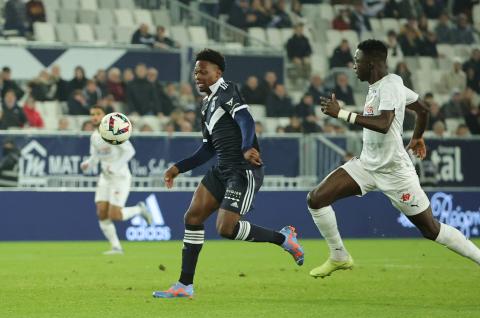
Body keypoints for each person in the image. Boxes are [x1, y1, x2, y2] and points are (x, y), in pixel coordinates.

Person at [308, 39, 480, 279]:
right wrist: (418, 137)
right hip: (367, 165)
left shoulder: (389, 86)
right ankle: (339, 256)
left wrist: (342, 113)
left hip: (395, 171)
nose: (354, 66)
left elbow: (384, 124)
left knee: (431, 229)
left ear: (371, 64)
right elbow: (423, 109)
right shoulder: (381, 85)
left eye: (357, 61)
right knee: (317, 198)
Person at [152, 49, 304, 299]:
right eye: (195, 72)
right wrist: (178, 167)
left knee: (226, 228)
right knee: (192, 217)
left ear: (217, 73)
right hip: (221, 169)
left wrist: (247, 147)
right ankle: (184, 285)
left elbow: (245, 120)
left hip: (243, 171)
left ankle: (283, 238)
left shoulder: (227, 90)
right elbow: (207, 148)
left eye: (203, 71)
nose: (198, 76)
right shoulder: (206, 105)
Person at [80, 105, 152, 254]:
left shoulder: (114, 131)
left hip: (120, 177)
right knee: (101, 212)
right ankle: (116, 247)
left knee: (115, 215)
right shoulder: (94, 136)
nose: (94, 116)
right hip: (105, 178)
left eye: (98, 113)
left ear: (105, 115)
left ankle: (139, 209)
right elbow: (95, 157)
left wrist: (115, 166)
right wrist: (88, 163)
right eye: (92, 113)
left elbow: (130, 151)